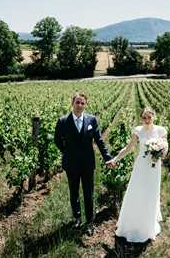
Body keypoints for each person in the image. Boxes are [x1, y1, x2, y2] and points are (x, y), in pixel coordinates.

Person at [54, 92, 114, 236]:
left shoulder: (91, 120)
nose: (80, 105)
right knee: (73, 192)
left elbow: (99, 140)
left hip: (87, 164)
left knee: (88, 193)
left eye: (82, 103)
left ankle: (89, 221)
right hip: (71, 164)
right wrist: (67, 152)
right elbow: (57, 140)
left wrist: (107, 158)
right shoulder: (62, 121)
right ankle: (77, 218)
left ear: (85, 105)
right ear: (72, 103)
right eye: (77, 102)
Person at [109, 107, 168, 242]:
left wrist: (160, 151)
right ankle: (131, 224)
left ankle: (147, 227)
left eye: (149, 117)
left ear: (154, 116)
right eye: (144, 118)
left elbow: (166, 147)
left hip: (154, 167)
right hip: (141, 166)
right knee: (136, 192)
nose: (147, 120)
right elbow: (128, 148)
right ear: (141, 118)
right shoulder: (138, 130)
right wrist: (116, 159)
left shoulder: (161, 130)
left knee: (151, 193)